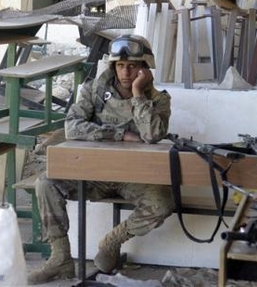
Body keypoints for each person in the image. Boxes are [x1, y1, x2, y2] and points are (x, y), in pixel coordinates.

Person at [28, 34, 175, 285]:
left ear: (144, 68)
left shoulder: (158, 100)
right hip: (93, 174)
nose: (125, 72)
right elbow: (72, 127)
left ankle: (113, 241)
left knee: (163, 203)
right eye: (120, 65)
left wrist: (138, 94)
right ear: (112, 66)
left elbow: (152, 135)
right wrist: (120, 134)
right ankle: (61, 258)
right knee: (46, 182)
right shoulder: (94, 90)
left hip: (134, 178)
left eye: (132, 66)